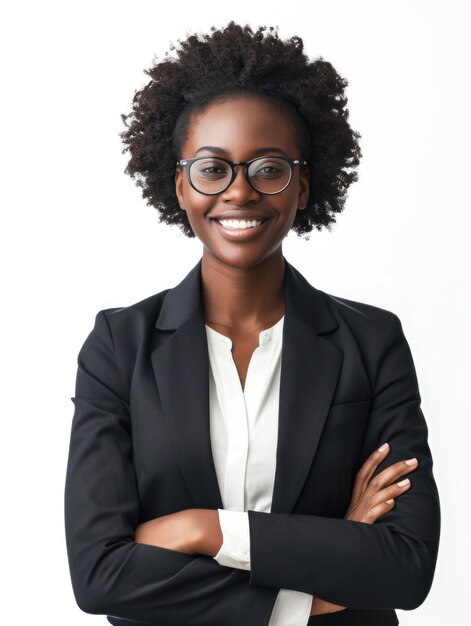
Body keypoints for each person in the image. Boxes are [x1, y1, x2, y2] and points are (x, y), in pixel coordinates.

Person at [64, 22, 441, 626]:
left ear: (303, 185)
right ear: (180, 186)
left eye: (269, 168)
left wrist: (202, 529)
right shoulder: (120, 347)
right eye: (213, 169)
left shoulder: (371, 343)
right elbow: (100, 574)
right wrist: (312, 581)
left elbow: (404, 566)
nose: (240, 192)